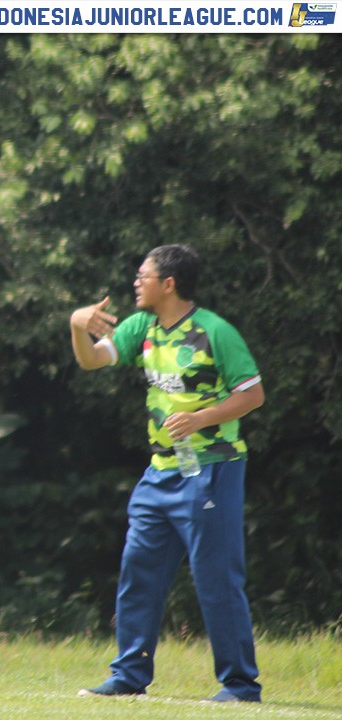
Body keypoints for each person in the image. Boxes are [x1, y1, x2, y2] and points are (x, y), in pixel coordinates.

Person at [69, 244, 264, 703]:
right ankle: (128, 678)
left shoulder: (216, 331)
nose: (136, 282)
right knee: (139, 573)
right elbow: (90, 359)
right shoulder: (143, 327)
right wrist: (77, 326)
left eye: (144, 276)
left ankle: (239, 685)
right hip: (159, 474)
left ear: (169, 284)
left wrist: (201, 418)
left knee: (216, 577)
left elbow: (252, 395)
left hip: (213, 471)